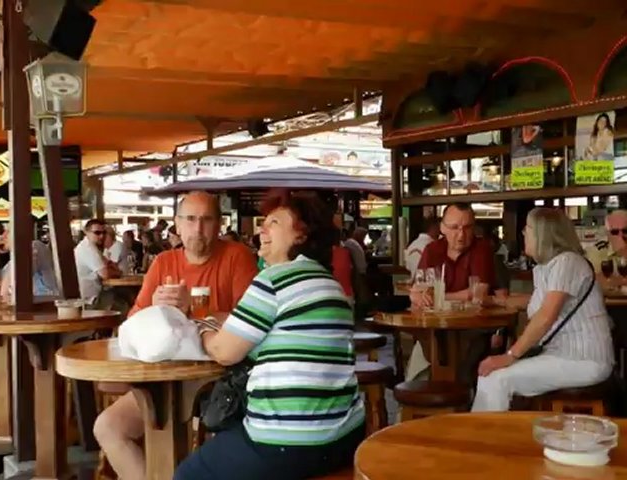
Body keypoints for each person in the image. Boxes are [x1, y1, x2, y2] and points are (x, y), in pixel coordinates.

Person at [174, 189, 365, 480]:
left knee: (188, 474)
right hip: (344, 436)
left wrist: (200, 328)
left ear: (301, 234)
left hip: (287, 440)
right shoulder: (330, 284)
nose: (261, 230)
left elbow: (224, 352)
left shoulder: (274, 279)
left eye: (273, 223)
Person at [93, 192, 258, 480]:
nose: (198, 228)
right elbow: (132, 321)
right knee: (108, 427)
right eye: (190, 219)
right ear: (177, 225)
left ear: (219, 224)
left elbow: (250, 323)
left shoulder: (238, 257)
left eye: (206, 220)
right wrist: (154, 308)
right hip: (164, 380)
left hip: (219, 382)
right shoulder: (163, 262)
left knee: (204, 443)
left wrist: (192, 311)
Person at [472, 208, 614, 411]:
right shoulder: (548, 266)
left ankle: (482, 431)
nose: (523, 233)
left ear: (543, 234)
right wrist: (494, 301)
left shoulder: (567, 262)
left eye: (528, 229)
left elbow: (546, 315)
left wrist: (510, 355)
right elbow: (537, 302)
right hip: (562, 355)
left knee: (494, 378)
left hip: (584, 360)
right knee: (493, 375)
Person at [410, 203, 495, 307]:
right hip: (435, 315)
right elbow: (416, 290)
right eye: (454, 227)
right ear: (442, 228)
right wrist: (417, 296)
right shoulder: (432, 250)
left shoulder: (481, 249)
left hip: (472, 316)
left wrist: (437, 297)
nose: (461, 235)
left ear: (474, 228)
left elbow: (476, 294)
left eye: (467, 228)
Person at [74, 219, 120, 305]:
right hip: (91, 300)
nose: (101, 236)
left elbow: (110, 264)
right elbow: (105, 274)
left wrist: (112, 269)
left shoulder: (90, 246)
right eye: (97, 233)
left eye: (104, 233)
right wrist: (117, 273)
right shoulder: (88, 249)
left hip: (92, 296)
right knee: (125, 300)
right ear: (87, 232)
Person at [586, 210, 627, 276]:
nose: (620, 235)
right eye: (615, 232)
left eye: (625, 231)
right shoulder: (597, 252)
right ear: (608, 234)